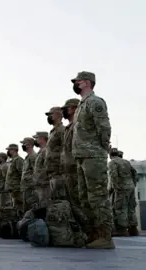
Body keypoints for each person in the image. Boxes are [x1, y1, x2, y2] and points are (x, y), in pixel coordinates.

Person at [71, 71, 114, 249]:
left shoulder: (95, 102)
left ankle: (105, 236)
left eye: (78, 81)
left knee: (97, 197)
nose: (75, 84)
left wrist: (103, 148)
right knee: (84, 197)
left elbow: (104, 127)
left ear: (87, 83)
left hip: (93, 155)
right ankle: (93, 234)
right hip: (82, 155)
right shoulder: (82, 104)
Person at [108, 148, 139, 236]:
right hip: (131, 187)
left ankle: (121, 230)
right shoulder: (126, 162)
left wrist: (115, 188)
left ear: (110, 155)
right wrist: (133, 184)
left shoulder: (112, 163)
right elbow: (135, 173)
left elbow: (113, 176)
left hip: (121, 188)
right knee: (131, 208)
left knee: (120, 208)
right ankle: (133, 229)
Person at [60, 98, 81, 210]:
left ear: (73, 109)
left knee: (79, 203)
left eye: (65, 108)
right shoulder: (68, 128)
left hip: (75, 171)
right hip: (68, 172)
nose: (63, 111)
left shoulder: (77, 125)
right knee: (72, 205)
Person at [44, 107, 65, 200]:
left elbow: (66, 149)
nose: (49, 117)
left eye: (50, 114)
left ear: (58, 115)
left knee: (60, 198)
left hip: (59, 171)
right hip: (52, 172)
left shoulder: (62, 130)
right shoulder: (53, 132)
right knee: (55, 198)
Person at [19, 137, 37, 213]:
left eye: (23, 143)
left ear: (29, 144)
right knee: (26, 209)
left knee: (30, 209)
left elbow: (36, 172)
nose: (22, 145)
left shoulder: (33, 156)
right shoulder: (28, 157)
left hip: (30, 187)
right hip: (26, 187)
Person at [5, 144, 24, 216]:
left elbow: (22, 173)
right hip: (13, 189)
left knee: (21, 207)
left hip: (17, 188)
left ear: (14, 150)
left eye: (9, 150)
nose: (8, 152)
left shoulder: (18, 160)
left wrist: (19, 186)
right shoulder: (13, 161)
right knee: (16, 207)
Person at [32, 131, 49, 208]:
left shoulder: (46, 150)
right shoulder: (40, 151)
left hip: (44, 184)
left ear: (42, 138)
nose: (36, 140)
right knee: (41, 205)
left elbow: (48, 167)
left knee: (45, 205)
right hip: (39, 184)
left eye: (37, 138)